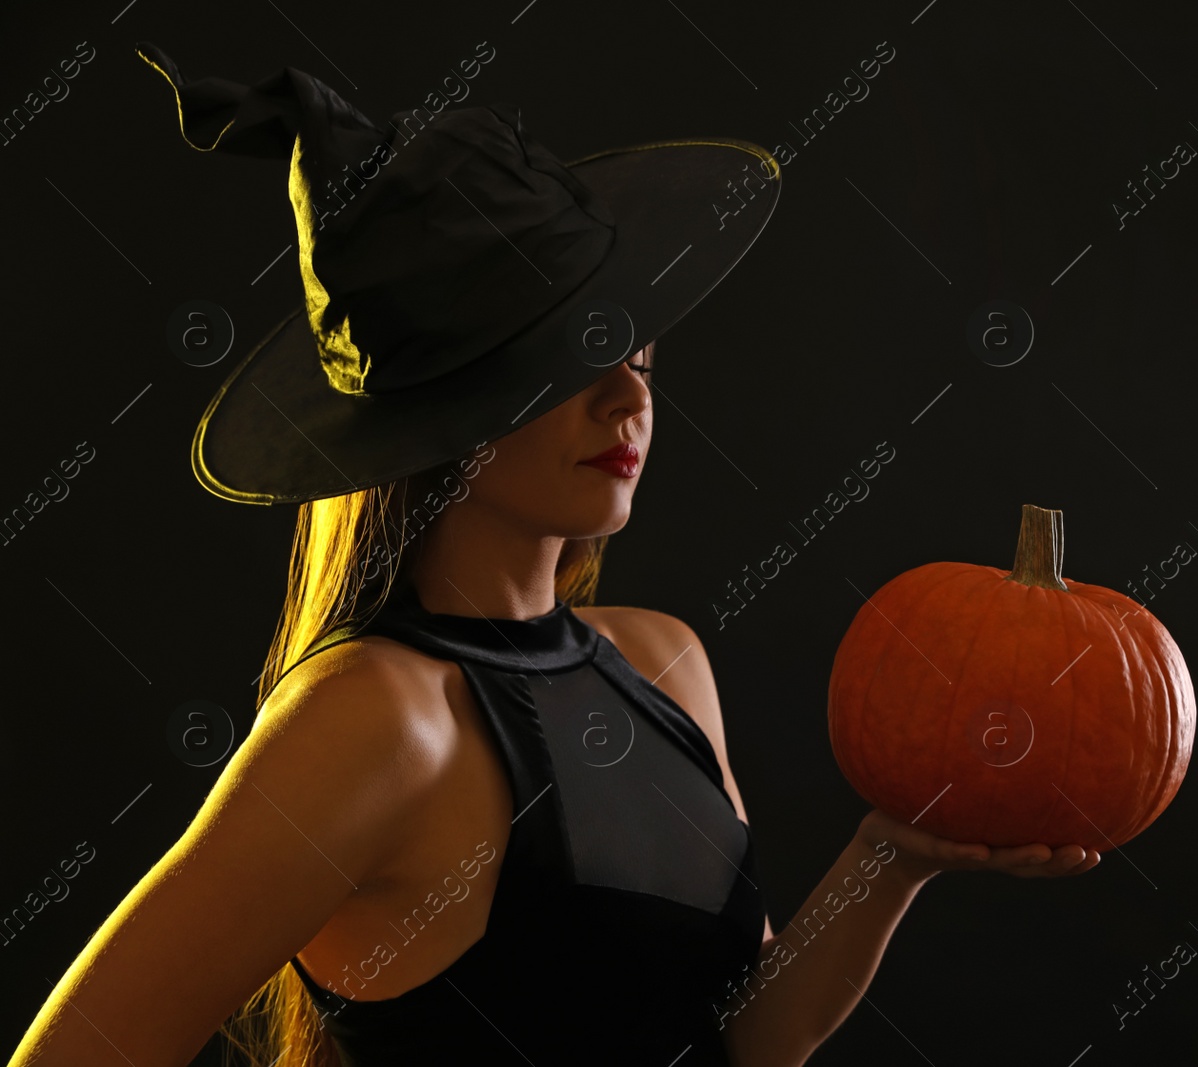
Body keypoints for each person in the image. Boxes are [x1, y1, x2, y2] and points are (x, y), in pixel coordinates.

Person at [7, 42, 1099, 1067]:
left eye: (639, 352)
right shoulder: (375, 718)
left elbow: (743, 1042)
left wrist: (890, 855)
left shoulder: (663, 662)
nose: (627, 395)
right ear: (444, 412)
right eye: (568, 356)